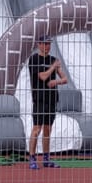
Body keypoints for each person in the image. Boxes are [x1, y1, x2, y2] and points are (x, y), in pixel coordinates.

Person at [25, 34, 68, 169]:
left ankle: (46, 158)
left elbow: (65, 79)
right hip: (39, 99)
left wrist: (56, 81)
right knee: (37, 128)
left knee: (48, 129)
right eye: (44, 43)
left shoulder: (53, 59)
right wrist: (53, 67)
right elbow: (43, 76)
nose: (46, 46)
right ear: (39, 44)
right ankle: (32, 158)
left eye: (48, 44)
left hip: (51, 99)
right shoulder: (34, 59)